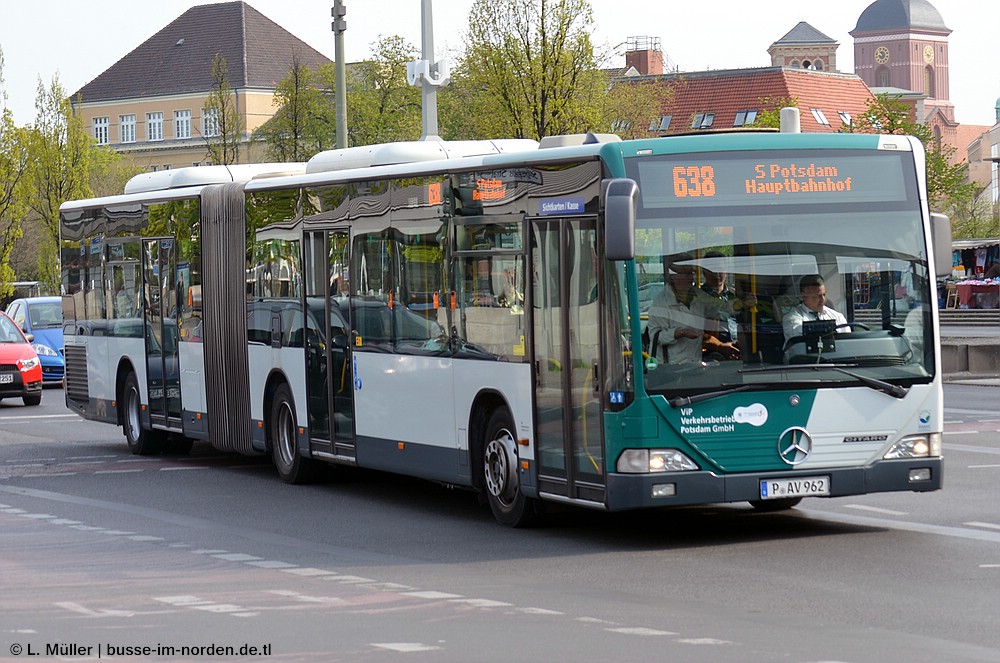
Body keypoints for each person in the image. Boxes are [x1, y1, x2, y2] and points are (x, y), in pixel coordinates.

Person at [646, 255, 712, 364]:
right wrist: (680, 332)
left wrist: (739, 305)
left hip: (695, 364)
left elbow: (719, 308)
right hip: (671, 367)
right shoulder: (661, 303)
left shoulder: (699, 296)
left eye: (692, 273)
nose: (691, 278)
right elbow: (655, 337)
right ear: (673, 277)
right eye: (686, 274)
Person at [697, 251, 741, 360]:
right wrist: (720, 346)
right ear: (704, 272)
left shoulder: (735, 295)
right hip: (713, 352)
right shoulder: (698, 297)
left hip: (738, 347)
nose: (717, 274)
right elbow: (697, 333)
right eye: (713, 270)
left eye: (720, 269)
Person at [782, 274, 850, 341]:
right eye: (817, 296)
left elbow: (847, 342)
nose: (823, 299)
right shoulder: (792, 318)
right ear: (803, 295)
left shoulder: (838, 317)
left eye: (824, 295)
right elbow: (798, 336)